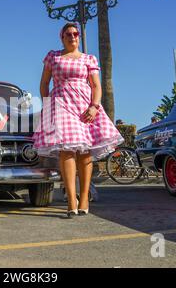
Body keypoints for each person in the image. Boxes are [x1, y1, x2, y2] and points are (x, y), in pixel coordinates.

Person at [33, 23, 124, 219]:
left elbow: (96, 86)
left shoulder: (89, 58)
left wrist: (95, 106)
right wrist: (48, 105)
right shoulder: (53, 56)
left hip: (84, 106)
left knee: (84, 152)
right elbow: (43, 84)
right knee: (67, 150)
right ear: (62, 37)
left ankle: (83, 198)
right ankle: (71, 200)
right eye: (68, 34)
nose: (73, 36)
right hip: (61, 104)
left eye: (76, 34)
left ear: (79, 37)